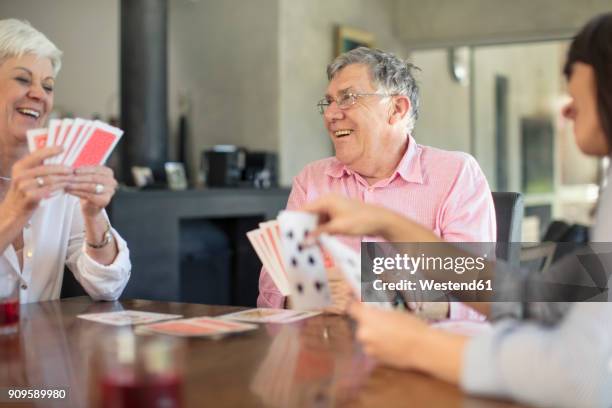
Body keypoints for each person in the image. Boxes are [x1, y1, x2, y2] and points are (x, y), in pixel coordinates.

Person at [302, 13, 612, 408]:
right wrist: (387, 224)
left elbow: (576, 377)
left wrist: (417, 344)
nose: (566, 111)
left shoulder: (456, 172)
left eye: (576, 93)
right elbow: (532, 296)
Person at [258, 47, 496, 318]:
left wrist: (399, 299)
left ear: (396, 108)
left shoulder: (456, 174)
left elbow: (477, 295)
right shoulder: (311, 180)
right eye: (329, 102)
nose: (331, 115)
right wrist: (315, 297)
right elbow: (271, 293)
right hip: (327, 349)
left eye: (348, 98)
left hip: (422, 349)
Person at [0, 19, 131, 303]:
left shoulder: (60, 172)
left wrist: (93, 216)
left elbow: (108, 287)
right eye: (23, 79)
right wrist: (13, 213)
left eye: (48, 86)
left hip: (39, 347)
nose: (38, 94)